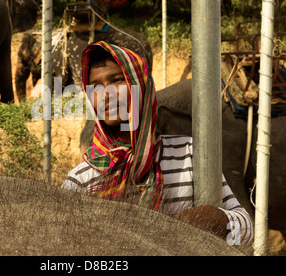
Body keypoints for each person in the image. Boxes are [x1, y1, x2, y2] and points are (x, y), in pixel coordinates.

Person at [62, 41, 253, 244]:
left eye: (117, 80)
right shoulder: (81, 180)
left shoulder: (189, 154)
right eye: (95, 87)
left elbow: (247, 230)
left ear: (141, 87)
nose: (105, 94)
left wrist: (218, 219)